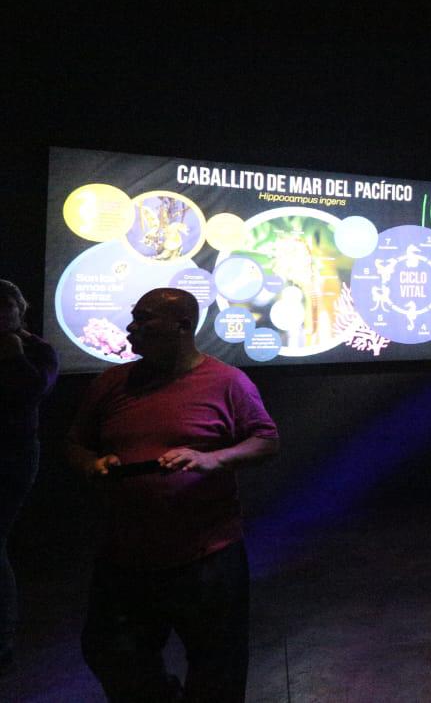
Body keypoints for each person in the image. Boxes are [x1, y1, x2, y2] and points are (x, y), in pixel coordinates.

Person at [67, 287, 279, 703]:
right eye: (134, 317)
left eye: (144, 318)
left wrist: (213, 459)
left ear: (182, 326)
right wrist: (90, 464)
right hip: (125, 553)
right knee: (110, 653)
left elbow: (266, 441)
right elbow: (75, 442)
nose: (132, 327)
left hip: (206, 555)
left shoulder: (227, 381)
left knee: (218, 665)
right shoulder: (112, 381)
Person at [0, 279, 58, 675]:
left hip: (13, 455)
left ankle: (3, 638)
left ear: (22, 309)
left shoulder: (38, 349)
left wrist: (14, 356)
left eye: (8, 309)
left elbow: (34, 393)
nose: (2, 317)